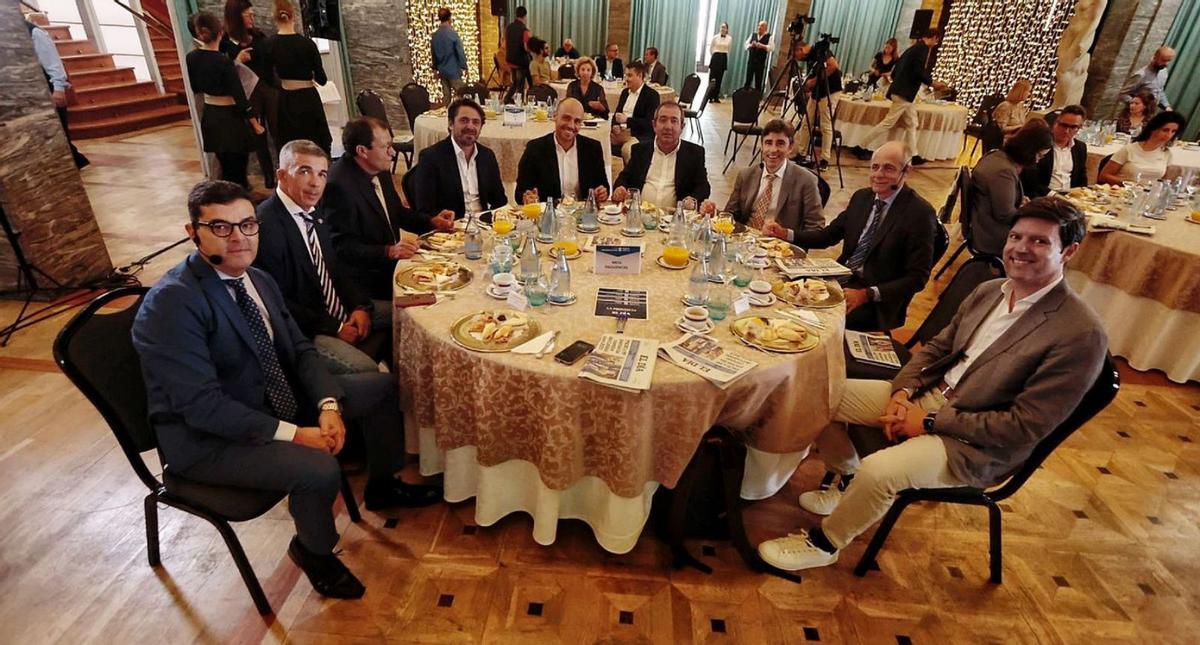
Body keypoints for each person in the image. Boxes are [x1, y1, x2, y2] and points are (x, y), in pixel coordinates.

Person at [756, 196, 1107, 573]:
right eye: (1017, 236)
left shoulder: (1079, 334)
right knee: (820, 394)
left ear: (1068, 251)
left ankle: (826, 544)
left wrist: (925, 423)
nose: (1021, 248)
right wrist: (902, 393)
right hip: (927, 399)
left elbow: (1024, 425)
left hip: (973, 443)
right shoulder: (991, 291)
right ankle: (847, 478)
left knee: (881, 471)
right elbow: (938, 347)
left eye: (1040, 241)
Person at [132, 180, 441, 599]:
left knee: (382, 388)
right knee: (317, 469)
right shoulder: (172, 304)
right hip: (207, 439)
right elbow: (201, 407)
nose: (239, 237)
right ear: (193, 232)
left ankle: (383, 484)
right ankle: (313, 551)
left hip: (272, 399)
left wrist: (328, 405)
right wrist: (297, 434)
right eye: (221, 227)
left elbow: (299, 350)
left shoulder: (256, 278)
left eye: (247, 224)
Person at [254, 140, 387, 375]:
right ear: (282, 176)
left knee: (405, 314)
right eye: (305, 171)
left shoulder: (313, 212)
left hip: (337, 310)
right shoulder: (266, 225)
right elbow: (277, 301)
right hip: (307, 330)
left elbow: (336, 268)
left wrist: (360, 307)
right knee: (365, 368)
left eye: (322, 174)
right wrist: (336, 327)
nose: (316, 183)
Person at [790, 141, 936, 332]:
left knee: (818, 322)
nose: (879, 174)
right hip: (842, 278)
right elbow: (827, 236)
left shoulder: (920, 214)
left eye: (889, 168)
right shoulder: (862, 198)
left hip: (876, 299)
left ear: (906, 171)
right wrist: (787, 234)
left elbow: (918, 277)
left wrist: (866, 294)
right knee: (787, 292)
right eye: (875, 167)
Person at [325, 117, 425, 302]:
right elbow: (342, 248)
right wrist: (389, 251)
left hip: (393, 266)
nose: (392, 152)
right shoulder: (338, 186)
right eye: (386, 146)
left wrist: (433, 221)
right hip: (368, 283)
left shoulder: (378, 167)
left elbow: (397, 213)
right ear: (362, 151)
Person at [186, 11, 264, 189]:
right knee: (238, 170)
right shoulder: (223, 62)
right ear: (220, 32)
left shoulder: (191, 58)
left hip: (211, 116)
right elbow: (240, 97)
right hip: (230, 119)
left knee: (225, 165)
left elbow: (195, 86)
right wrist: (255, 123)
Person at [856, 28, 947, 165]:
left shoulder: (912, 48)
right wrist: (932, 83)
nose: (936, 43)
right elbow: (918, 71)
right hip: (904, 93)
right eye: (937, 40)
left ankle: (914, 154)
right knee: (888, 122)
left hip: (901, 91)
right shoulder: (922, 49)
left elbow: (896, 70)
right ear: (934, 37)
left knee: (912, 123)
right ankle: (861, 146)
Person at [412, 98, 508, 227]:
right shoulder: (431, 158)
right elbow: (425, 210)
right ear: (451, 124)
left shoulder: (487, 156)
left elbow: (499, 201)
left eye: (476, 122)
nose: (470, 126)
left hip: (485, 227)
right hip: (451, 229)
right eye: (464, 120)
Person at [725, 120, 824, 238]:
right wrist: (714, 213)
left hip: (778, 247)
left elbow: (816, 228)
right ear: (761, 146)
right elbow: (730, 214)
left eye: (780, 143)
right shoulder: (746, 175)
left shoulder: (806, 180)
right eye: (768, 143)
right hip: (745, 242)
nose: (773, 149)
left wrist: (786, 234)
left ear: (790, 147)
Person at [971, 120, 1053, 256]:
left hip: (984, 223)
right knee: (1049, 243)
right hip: (992, 234)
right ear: (1029, 150)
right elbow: (1004, 215)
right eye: (1039, 155)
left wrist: (1020, 202)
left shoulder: (996, 156)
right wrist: (1030, 210)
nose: (1038, 160)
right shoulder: (1004, 171)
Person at [612, 102, 712, 210]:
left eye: (674, 121)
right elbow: (624, 177)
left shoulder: (694, 153)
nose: (668, 126)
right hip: (640, 214)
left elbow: (703, 186)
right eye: (663, 120)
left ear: (682, 126)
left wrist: (693, 199)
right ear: (654, 125)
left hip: (674, 219)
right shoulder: (640, 150)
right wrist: (620, 187)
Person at [264, 0, 331, 154]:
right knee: (315, 142)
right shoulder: (307, 44)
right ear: (294, 16)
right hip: (309, 98)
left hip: (286, 100)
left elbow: (268, 78)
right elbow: (322, 79)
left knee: (292, 145)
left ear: (275, 19)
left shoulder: (269, 44)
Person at [221, 0, 275, 188]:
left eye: (253, 14)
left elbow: (270, 62)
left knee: (277, 130)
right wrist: (237, 60)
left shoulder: (258, 35)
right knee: (258, 134)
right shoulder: (225, 42)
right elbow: (224, 72)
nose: (252, 18)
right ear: (237, 16)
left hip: (268, 88)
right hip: (248, 92)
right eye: (248, 15)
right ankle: (268, 174)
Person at [515, 98, 611, 204]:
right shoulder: (535, 149)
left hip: (583, 216)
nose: (571, 125)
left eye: (577, 121)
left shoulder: (593, 148)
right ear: (555, 116)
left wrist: (601, 193)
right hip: (548, 216)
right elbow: (520, 193)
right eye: (566, 118)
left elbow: (603, 186)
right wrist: (527, 197)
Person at [25, 17, 88, 168]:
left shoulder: (34, 32)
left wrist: (58, 89)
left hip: (45, 87)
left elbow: (53, 63)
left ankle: (71, 165)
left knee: (56, 132)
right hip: (25, 90)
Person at [1098, 111, 1187, 185]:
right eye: (1165, 130)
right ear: (1154, 129)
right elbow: (1104, 176)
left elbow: (1162, 181)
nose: (1169, 135)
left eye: (1173, 131)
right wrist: (1128, 184)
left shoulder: (1166, 153)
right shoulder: (1129, 149)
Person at [794, 42, 843, 169]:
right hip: (817, 91)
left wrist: (814, 81)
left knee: (825, 125)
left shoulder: (820, 50)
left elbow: (833, 66)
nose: (797, 59)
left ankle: (824, 159)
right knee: (806, 122)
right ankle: (802, 153)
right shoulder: (810, 56)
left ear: (800, 49)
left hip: (830, 90)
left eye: (796, 55)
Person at [1021, 105, 1088, 197]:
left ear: (1079, 128)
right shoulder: (1040, 145)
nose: (1066, 131)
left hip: (1070, 196)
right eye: (1064, 125)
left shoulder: (1080, 147)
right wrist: (1054, 195)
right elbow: (1030, 181)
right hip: (1043, 196)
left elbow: (1082, 177)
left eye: (1073, 127)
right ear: (1055, 123)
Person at [611, 61, 660, 156]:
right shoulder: (625, 93)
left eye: (630, 75)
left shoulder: (652, 95)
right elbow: (617, 114)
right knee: (599, 143)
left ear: (640, 76)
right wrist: (615, 126)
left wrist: (627, 121)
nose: (626, 79)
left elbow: (650, 123)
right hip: (621, 133)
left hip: (640, 135)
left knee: (627, 149)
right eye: (625, 76)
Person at [1118, 46, 1175, 111]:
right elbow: (1122, 94)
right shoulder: (1141, 75)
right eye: (1163, 60)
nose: (1166, 64)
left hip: (1149, 115)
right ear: (1155, 57)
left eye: (1168, 61)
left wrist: (1166, 106)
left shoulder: (1164, 72)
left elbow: (1159, 90)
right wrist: (1138, 105)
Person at [431, 7, 467, 104]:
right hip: (453, 70)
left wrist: (435, 69)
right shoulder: (452, 34)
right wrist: (464, 66)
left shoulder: (435, 36)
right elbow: (460, 52)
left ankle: (447, 116)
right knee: (462, 94)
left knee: (446, 97)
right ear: (450, 18)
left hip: (442, 70)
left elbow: (433, 54)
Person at [503, 6, 531, 103]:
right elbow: (526, 47)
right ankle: (521, 103)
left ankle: (507, 99)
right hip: (521, 61)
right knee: (521, 84)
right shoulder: (525, 30)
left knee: (515, 83)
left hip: (510, 59)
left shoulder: (509, 27)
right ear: (525, 16)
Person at [744, 21, 773, 92]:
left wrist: (762, 46)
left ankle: (756, 100)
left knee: (758, 81)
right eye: (759, 25)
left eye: (762, 26)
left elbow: (771, 48)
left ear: (766, 28)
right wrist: (751, 45)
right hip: (751, 62)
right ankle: (744, 97)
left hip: (760, 63)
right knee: (748, 80)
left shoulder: (769, 37)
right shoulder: (753, 35)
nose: (759, 27)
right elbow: (746, 45)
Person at [707, 22, 732, 103]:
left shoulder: (729, 38)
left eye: (724, 27)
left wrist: (722, 54)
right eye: (721, 27)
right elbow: (711, 49)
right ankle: (710, 96)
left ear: (727, 29)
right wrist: (715, 55)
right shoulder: (715, 37)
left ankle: (716, 96)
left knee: (719, 79)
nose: (723, 29)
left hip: (723, 58)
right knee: (712, 78)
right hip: (715, 57)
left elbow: (729, 49)